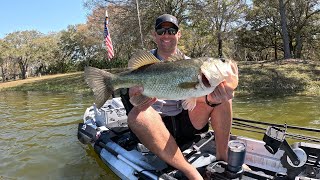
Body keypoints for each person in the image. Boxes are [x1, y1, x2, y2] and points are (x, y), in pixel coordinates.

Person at [127, 14, 237, 179]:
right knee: (138, 115)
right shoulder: (146, 64)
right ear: (154, 35)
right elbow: (133, 98)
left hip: (185, 121)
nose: (166, 35)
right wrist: (133, 95)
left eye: (171, 30)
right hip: (156, 127)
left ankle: (223, 156)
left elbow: (192, 99)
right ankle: (189, 170)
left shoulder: (190, 63)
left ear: (179, 34)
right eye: (161, 30)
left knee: (223, 99)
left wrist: (212, 99)